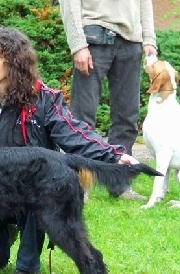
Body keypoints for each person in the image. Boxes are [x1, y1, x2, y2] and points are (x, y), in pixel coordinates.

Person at [0, 27, 140, 274]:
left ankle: (28, 265)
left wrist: (113, 156)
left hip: (28, 191)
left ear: (14, 62)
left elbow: (75, 134)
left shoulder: (44, 100)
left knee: (37, 186)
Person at [59, 0, 158, 200]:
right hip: (94, 35)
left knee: (127, 117)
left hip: (131, 40)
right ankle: (79, 183)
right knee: (82, 118)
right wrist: (78, 44)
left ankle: (120, 184)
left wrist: (148, 38)